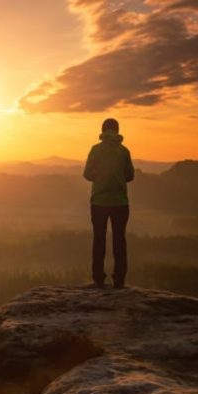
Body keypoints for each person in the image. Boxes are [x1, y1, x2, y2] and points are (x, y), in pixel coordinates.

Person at [83, 118, 134, 289]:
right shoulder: (124, 151)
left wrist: (99, 177)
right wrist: (117, 179)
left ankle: (99, 279)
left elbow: (87, 174)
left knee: (99, 240)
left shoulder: (96, 150)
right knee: (119, 240)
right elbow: (130, 175)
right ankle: (119, 280)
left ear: (103, 131)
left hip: (99, 202)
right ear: (117, 131)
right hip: (120, 202)